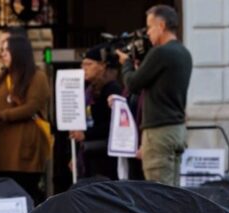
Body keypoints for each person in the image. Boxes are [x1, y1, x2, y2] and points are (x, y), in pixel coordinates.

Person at [117, 4, 192, 186]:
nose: (148, 33)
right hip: (177, 131)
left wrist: (126, 64)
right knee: (174, 192)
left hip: (159, 132)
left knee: (159, 194)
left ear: (161, 25)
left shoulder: (160, 53)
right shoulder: (184, 53)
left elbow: (133, 84)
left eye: (150, 27)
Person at [0, 35, 51, 204]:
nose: (2, 54)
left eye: (6, 50)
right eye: (1, 50)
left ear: (19, 52)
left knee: (26, 192)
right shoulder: (2, 78)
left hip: (26, 148)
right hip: (3, 149)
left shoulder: (37, 77)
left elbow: (31, 107)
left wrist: (0, 116)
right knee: (5, 196)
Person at [69, 45, 122, 180]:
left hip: (106, 155)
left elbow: (113, 124)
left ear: (102, 66)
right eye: (83, 64)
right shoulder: (89, 89)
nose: (84, 68)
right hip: (89, 152)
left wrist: (86, 134)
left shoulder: (112, 88)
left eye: (89, 64)